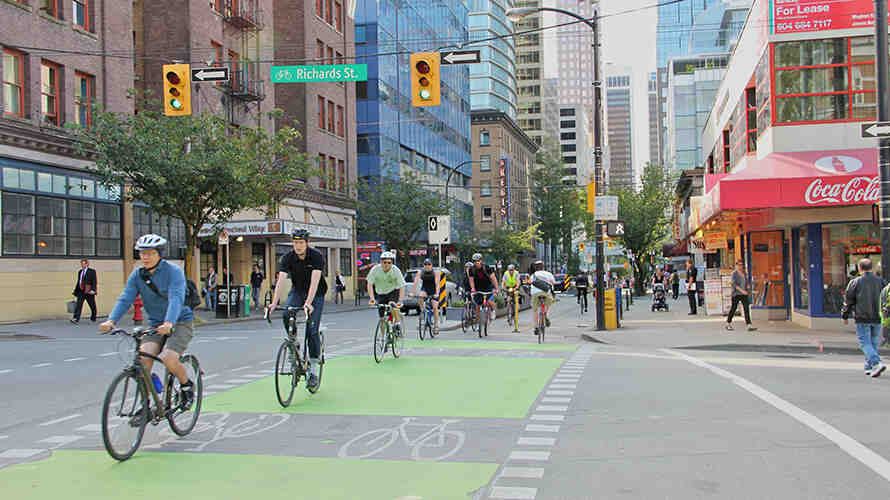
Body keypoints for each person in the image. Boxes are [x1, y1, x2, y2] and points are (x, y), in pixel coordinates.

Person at [99, 234, 196, 409]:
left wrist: (169, 322)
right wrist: (111, 320)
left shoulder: (174, 272)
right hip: (155, 324)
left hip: (180, 321)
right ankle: (147, 405)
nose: (145, 257)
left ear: (159, 254)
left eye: (150, 253)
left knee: (168, 358)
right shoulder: (138, 275)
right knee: (143, 361)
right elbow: (125, 298)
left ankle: (186, 385)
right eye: (142, 253)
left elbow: (176, 298)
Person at [265, 229, 328, 390]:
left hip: (316, 293)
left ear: (307, 243)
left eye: (301, 243)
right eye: (295, 243)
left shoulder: (316, 256)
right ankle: (294, 342)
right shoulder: (287, 258)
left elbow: (315, 281)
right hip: (298, 290)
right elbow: (281, 281)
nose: (298, 246)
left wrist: (308, 302)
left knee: (312, 331)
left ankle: (313, 370)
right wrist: (273, 303)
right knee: (287, 313)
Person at [843, 258, 887, 377]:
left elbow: (848, 300)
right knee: (873, 342)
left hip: (862, 317)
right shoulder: (881, 281)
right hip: (877, 317)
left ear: (859, 268)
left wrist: (845, 315)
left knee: (864, 343)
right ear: (871, 268)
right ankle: (869, 367)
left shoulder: (855, 282)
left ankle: (877, 363)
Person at [366, 251, 406, 332]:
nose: (387, 264)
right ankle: (383, 339)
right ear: (381, 262)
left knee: (392, 305)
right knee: (382, 318)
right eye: (384, 262)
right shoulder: (375, 269)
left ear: (392, 263)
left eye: (389, 262)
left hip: (393, 291)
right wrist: (372, 299)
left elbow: (402, 286)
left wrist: (400, 300)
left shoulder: (396, 270)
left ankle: (397, 324)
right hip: (380, 293)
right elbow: (369, 284)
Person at [468, 253, 500, 325]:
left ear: (481, 261)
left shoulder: (487, 268)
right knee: (478, 305)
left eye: (478, 261)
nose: (477, 262)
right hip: (478, 288)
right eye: (475, 261)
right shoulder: (471, 270)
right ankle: (478, 322)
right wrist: (473, 289)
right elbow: (471, 280)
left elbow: (493, 278)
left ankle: (492, 311)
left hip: (488, 287)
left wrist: (496, 289)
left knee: (489, 302)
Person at [726, 260, 757, 332]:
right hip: (736, 294)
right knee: (733, 308)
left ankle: (749, 325)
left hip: (744, 294)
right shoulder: (734, 273)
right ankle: (728, 323)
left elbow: (746, 281)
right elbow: (734, 284)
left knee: (746, 309)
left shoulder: (744, 273)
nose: (740, 266)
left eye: (741, 265)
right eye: (739, 265)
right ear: (736, 265)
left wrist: (748, 287)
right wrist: (742, 291)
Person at [412, 258, 441, 334]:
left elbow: (437, 284)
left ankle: (436, 326)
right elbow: (415, 282)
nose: (427, 266)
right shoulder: (420, 272)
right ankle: (423, 311)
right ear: (423, 265)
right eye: (425, 264)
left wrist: (437, 293)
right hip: (425, 289)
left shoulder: (436, 272)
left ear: (432, 265)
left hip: (434, 290)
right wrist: (412, 292)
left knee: (435, 307)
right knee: (420, 296)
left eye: (429, 264)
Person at [530, 260, 556, 336]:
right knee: (550, 302)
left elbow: (530, 283)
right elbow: (553, 283)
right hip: (546, 292)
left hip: (535, 293)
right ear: (543, 267)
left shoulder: (533, 275)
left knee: (535, 310)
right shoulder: (548, 274)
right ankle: (546, 315)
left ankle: (536, 327)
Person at [71, 259, 98, 324]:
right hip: (81, 291)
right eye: (81, 264)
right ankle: (76, 318)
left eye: (83, 264)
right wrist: (75, 291)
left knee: (92, 305)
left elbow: (94, 281)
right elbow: (79, 281)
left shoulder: (92, 271)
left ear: (87, 264)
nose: (82, 265)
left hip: (88, 291)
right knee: (78, 305)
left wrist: (93, 290)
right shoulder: (80, 271)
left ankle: (93, 317)